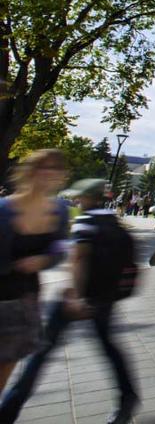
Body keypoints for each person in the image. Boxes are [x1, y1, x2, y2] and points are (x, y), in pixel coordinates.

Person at [1, 178, 140, 424]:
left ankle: (9, 410)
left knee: (41, 352)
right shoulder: (117, 224)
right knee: (109, 348)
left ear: (88, 198)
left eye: (80, 196)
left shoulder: (85, 221)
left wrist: (75, 295)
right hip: (104, 298)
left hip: (75, 298)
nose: (77, 200)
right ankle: (127, 398)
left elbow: (78, 259)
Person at [0, 150, 70, 402]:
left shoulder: (59, 211)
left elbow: (61, 247)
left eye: (55, 169)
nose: (49, 174)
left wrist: (45, 259)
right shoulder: (4, 209)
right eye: (43, 167)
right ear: (29, 171)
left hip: (25, 299)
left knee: (7, 365)